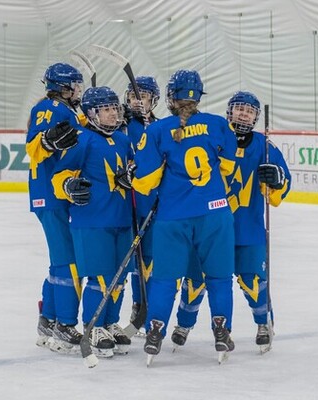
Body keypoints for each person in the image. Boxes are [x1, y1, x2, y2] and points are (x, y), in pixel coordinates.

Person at [115, 69, 238, 365]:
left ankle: (155, 332)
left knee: (165, 279)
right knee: (219, 278)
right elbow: (228, 167)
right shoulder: (218, 124)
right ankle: (222, 331)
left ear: (170, 98)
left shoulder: (157, 130)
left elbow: (145, 183)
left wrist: (135, 170)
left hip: (174, 218)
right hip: (216, 214)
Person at [170, 91, 291, 353]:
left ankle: (263, 323)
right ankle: (184, 324)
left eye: (250, 111)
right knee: (195, 280)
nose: (244, 114)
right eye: (239, 109)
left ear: (256, 117)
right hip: (209, 228)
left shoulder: (265, 147)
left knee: (254, 281)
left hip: (248, 229)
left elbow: (283, 184)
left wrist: (277, 179)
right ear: (229, 111)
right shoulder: (213, 136)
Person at [51, 86, 134, 357]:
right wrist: (68, 186)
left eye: (114, 109)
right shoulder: (81, 139)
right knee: (100, 277)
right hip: (92, 221)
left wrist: (130, 175)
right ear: (90, 114)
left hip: (122, 218)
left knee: (119, 278)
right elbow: (59, 176)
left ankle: (110, 322)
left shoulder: (122, 140)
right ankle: (93, 325)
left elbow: (133, 169)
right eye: (105, 110)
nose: (112, 114)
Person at [25, 62, 86, 353]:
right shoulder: (49, 108)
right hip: (51, 194)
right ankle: (64, 324)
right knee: (68, 260)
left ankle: (48, 319)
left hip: (55, 195)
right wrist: (47, 142)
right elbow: (33, 147)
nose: (79, 90)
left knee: (62, 258)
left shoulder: (66, 111)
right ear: (63, 87)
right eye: (75, 86)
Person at [121, 76, 160, 330]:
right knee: (127, 259)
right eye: (133, 96)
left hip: (151, 202)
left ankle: (143, 306)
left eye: (142, 96)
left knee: (148, 259)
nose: (137, 101)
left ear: (153, 101)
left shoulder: (160, 127)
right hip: (125, 202)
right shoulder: (120, 124)